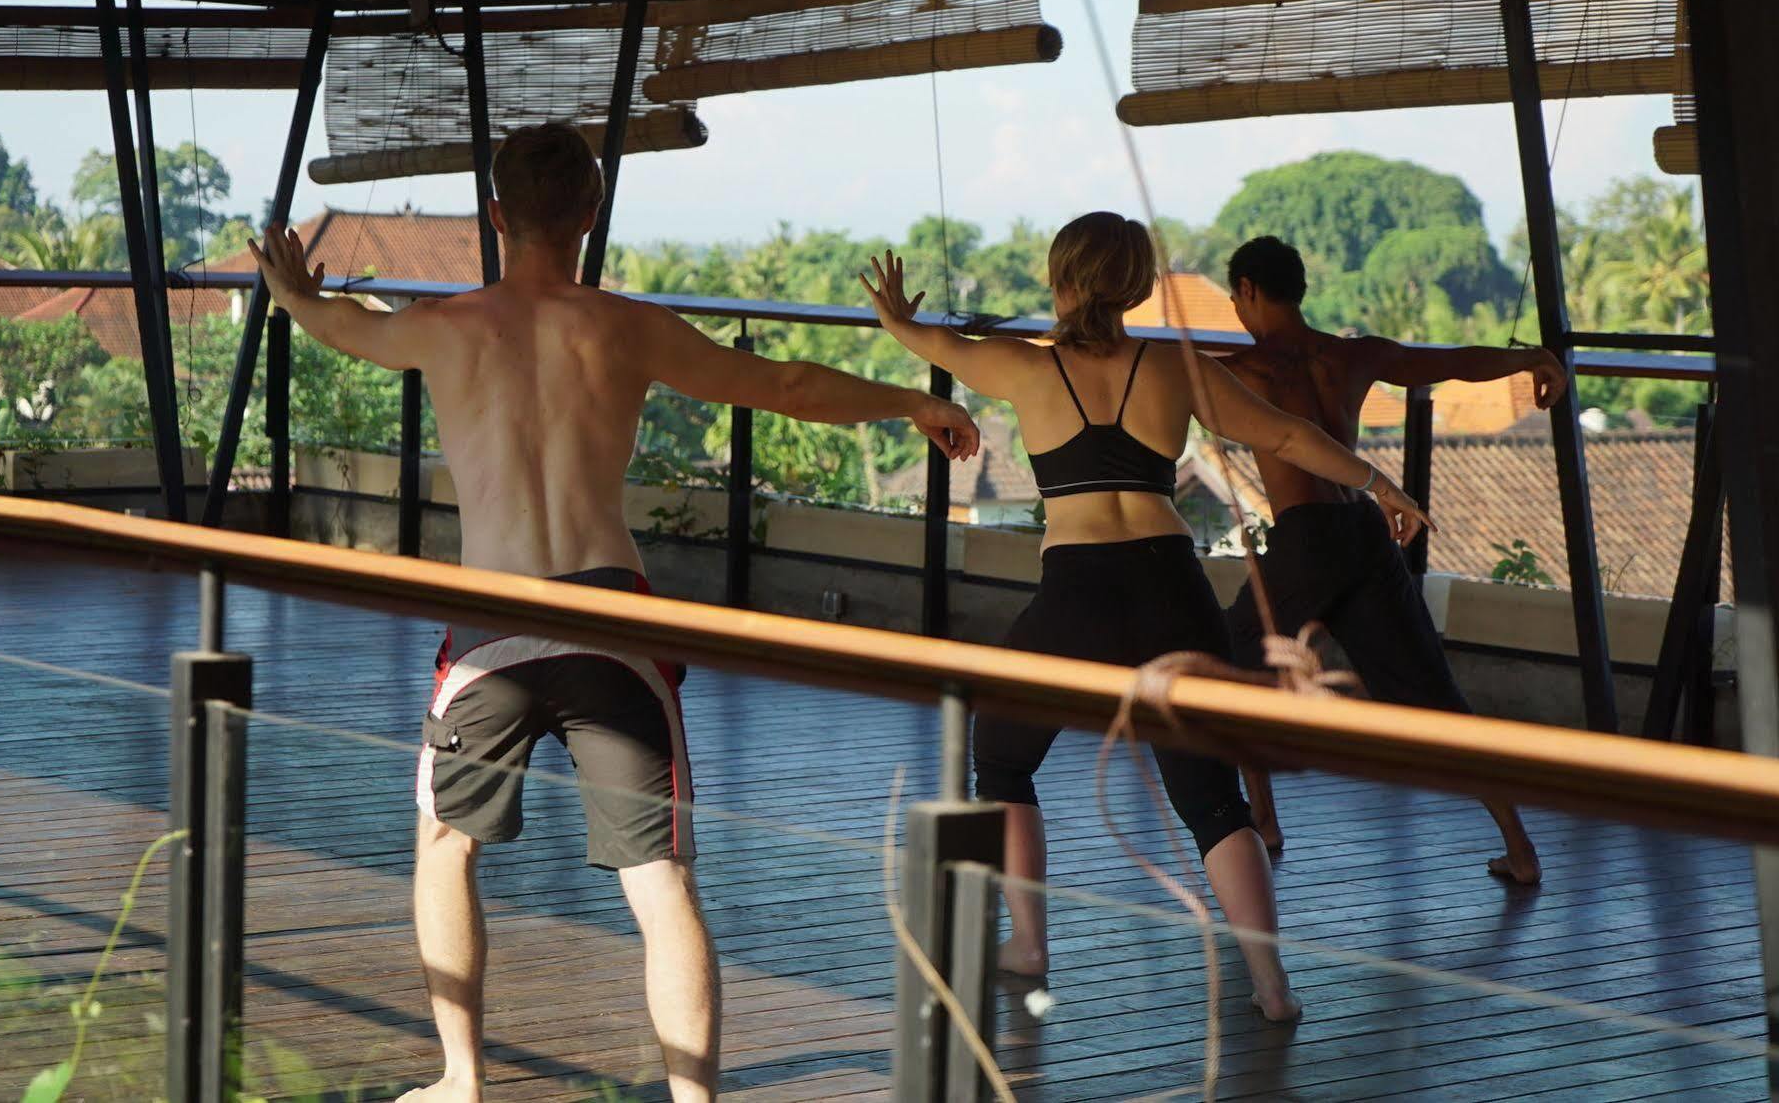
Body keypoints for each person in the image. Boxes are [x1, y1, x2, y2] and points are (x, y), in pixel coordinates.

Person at [249, 121, 980, 1103]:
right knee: (660, 879)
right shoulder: (627, 328)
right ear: (590, 214)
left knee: (442, 845)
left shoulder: (445, 324)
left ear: (497, 215)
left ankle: (461, 1078)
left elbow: (341, 323)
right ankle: (694, 1100)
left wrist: (294, 288)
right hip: (613, 622)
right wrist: (908, 399)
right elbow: (786, 384)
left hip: (490, 624)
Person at [860, 212, 1430, 1024]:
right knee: (1210, 799)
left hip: (1077, 594)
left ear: (1060, 279)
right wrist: (1380, 485)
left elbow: (926, 347)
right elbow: (1288, 435)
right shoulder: (1170, 368)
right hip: (1171, 586)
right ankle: (1273, 989)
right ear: (1133, 285)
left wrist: (895, 316)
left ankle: (1029, 946)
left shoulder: (1024, 369)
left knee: (1004, 760)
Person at [1220, 235, 1561, 885]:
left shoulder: (1243, 368)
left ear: (1247, 292)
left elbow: (1144, 372)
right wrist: (1533, 359)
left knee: (1228, 663)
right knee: (1434, 699)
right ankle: (1519, 849)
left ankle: (1262, 822)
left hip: (1304, 539)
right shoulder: (1350, 356)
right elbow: (1449, 361)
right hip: (1363, 531)